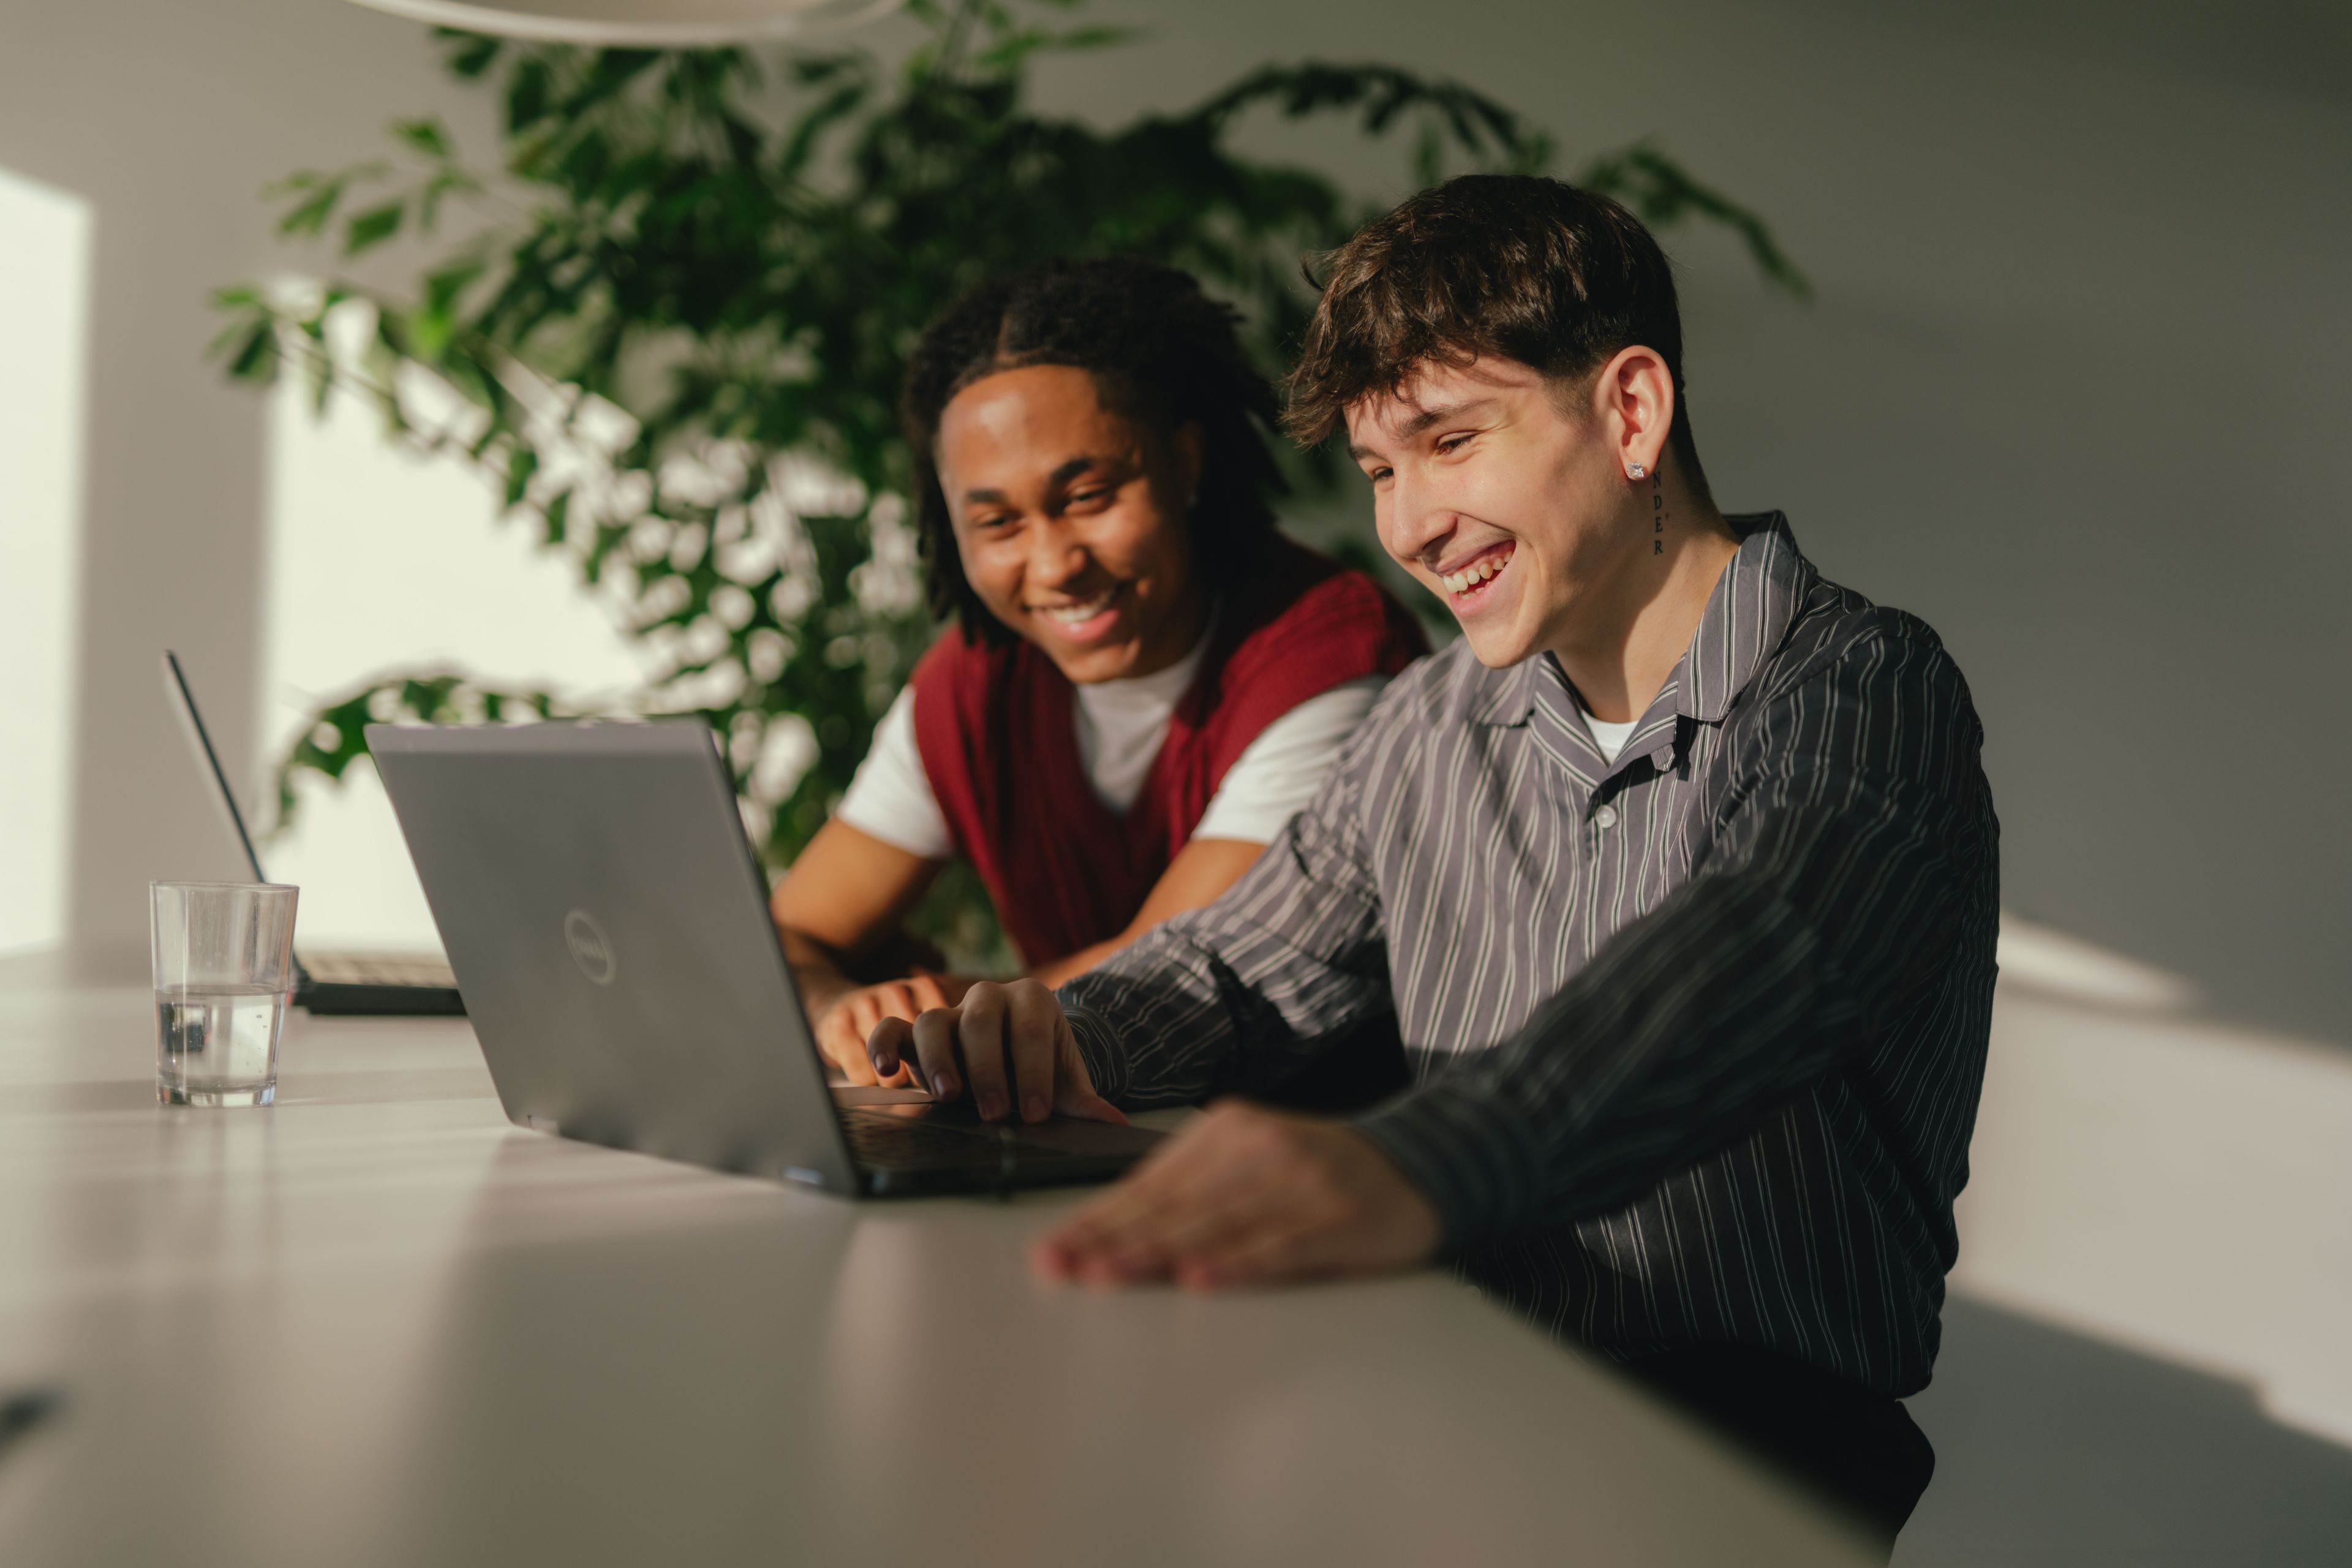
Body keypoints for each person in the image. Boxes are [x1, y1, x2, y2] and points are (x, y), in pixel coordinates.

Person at [860, 176, 1997, 1550]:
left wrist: (1422, 1161)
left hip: (1742, 1450)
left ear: (1630, 411)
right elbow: (1237, 967)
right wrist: (1041, 1038)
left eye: (1450, 443)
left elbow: (1755, 956)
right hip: (1450, 1402)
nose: (1407, 528)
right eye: (1380, 472)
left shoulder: (1866, 688)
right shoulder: (1436, 717)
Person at [771, 258, 1425, 1089]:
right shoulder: (972, 686)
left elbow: (1169, 976)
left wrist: (939, 1014)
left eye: (1089, 496)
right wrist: (837, 1007)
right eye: (998, 522)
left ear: (1185, 464)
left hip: (1309, 1163)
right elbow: (789, 940)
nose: (1055, 565)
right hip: (1077, 1152)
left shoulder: (1329, 655)